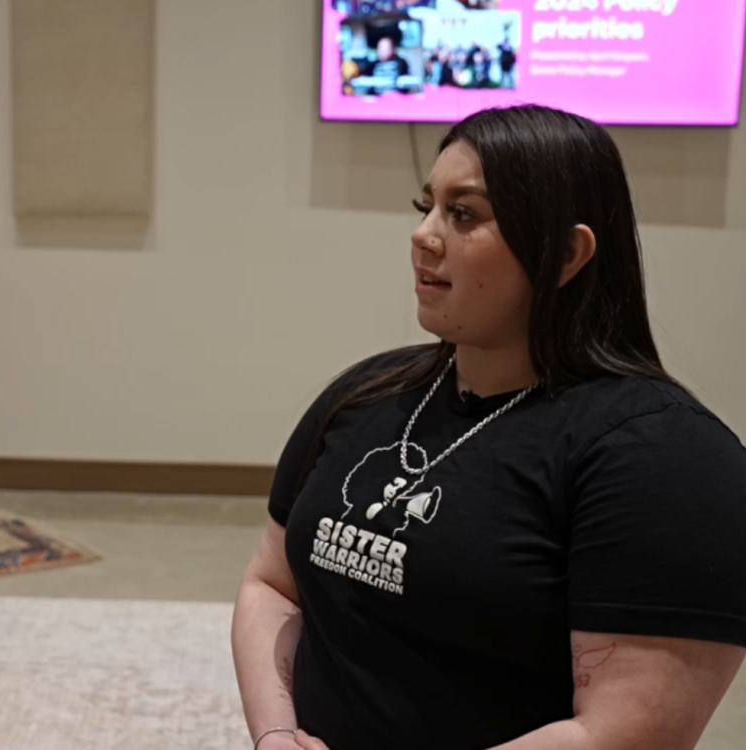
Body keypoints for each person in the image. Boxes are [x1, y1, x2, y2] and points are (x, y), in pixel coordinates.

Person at [232, 104, 746, 750]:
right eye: (426, 205)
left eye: (464, 213)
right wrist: (277, 734)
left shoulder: (665, 458)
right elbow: (272, 583)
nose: (424, 234)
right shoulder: (365, 395)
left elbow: (630, 733)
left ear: (566, 253)